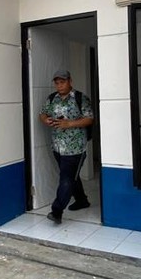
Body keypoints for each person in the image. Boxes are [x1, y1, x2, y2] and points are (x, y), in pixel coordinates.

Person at [39, 70, 94, 224]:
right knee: (70, 176)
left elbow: (89, 119)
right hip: (57, 147)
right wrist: (46, 120)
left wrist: (69, 123)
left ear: (70, 81)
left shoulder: (80, 98)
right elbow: (42, 113)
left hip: (75, 148)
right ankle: (82, 200)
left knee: (66, 179)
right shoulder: (52, 98)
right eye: (57, 83)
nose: (59, 85)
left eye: (62, 82)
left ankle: (56, 211)